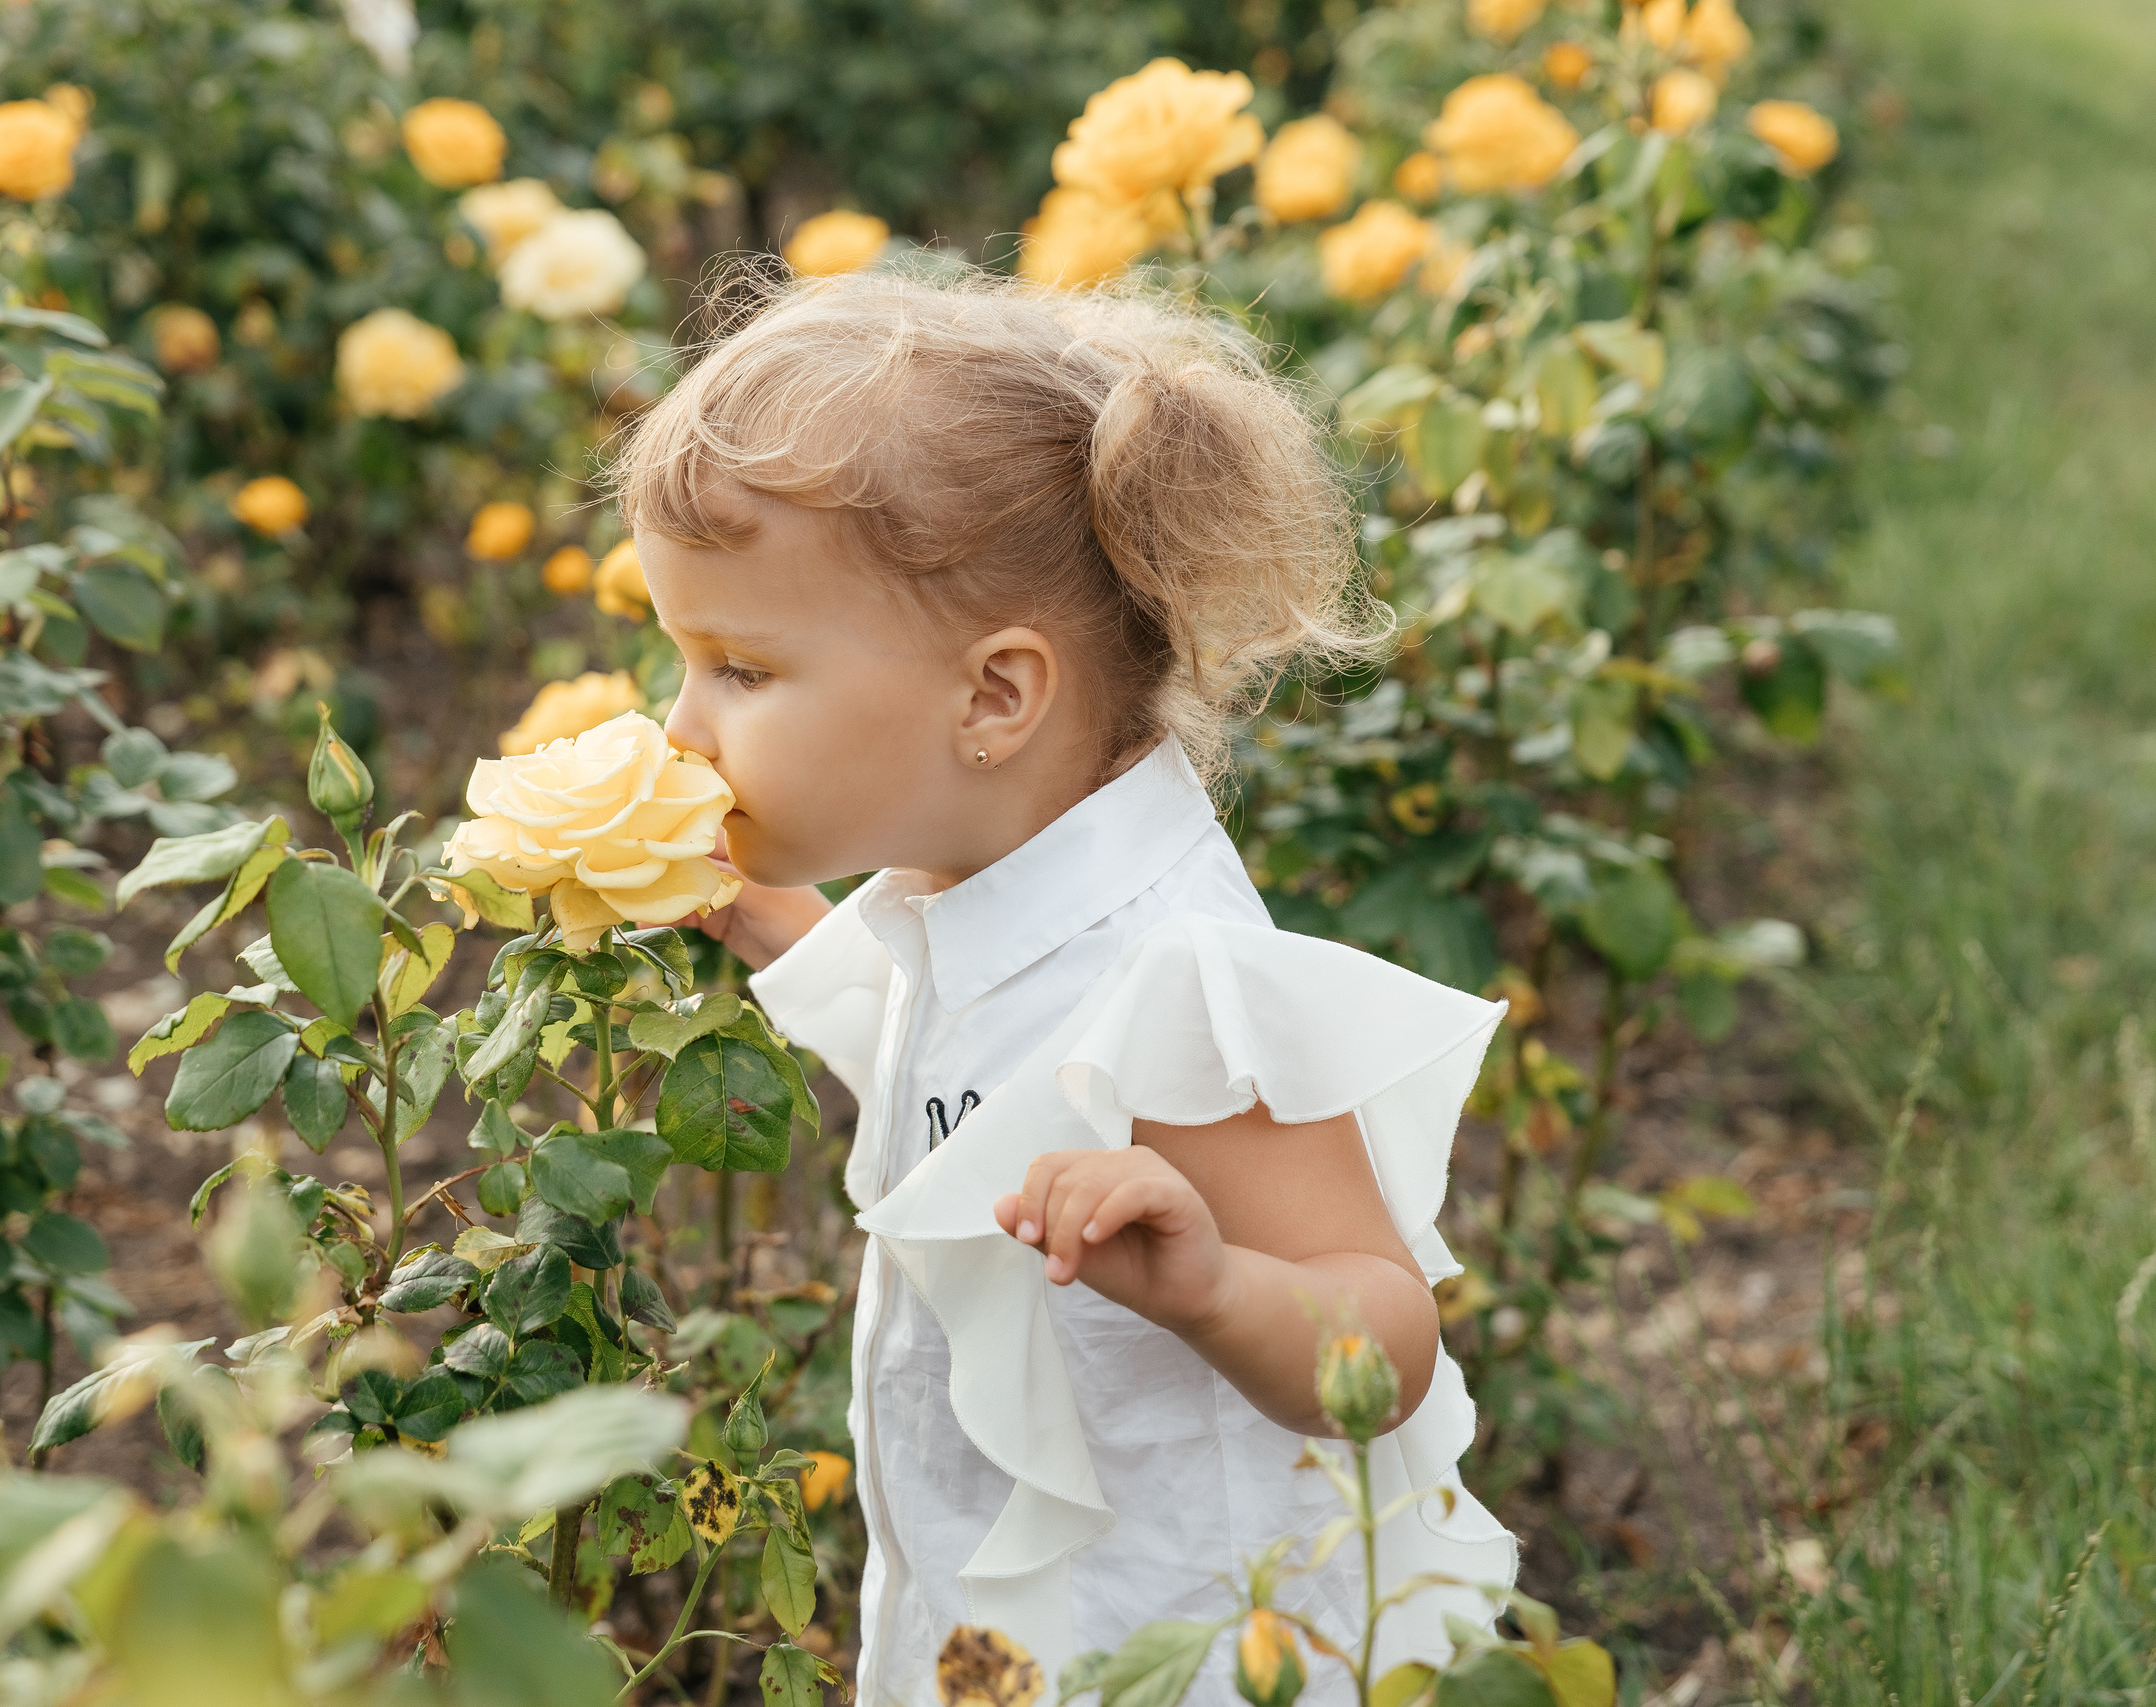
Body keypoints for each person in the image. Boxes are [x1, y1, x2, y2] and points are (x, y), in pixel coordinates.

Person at [612, 264, 1514, 1705]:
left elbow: (1385, 1330)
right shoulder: (969, 879)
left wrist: (1217, 1287)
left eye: (740, 671)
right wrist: (775, 925)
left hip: (1172, 1642)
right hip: (1004, 1630)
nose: (681, 726)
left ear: (993, 698)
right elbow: (974, 1075)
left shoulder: (1177, 985)